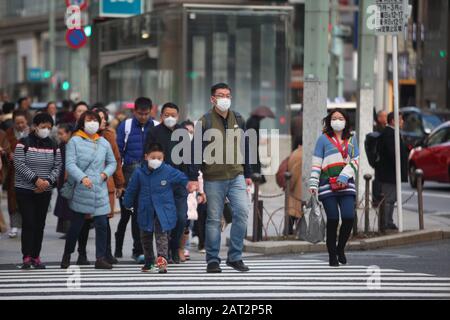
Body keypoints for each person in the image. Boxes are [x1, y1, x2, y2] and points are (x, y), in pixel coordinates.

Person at [189, 83, 253, 273]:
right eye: (220, 95)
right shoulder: (205, 121)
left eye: (227, 95)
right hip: (213, 178)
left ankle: (235, 257)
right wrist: (193, 177)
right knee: (214, 219)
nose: (224, 98)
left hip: (236, 175)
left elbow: (246, 147)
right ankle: (212, 260)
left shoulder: (239, 119)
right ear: (213, 99)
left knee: (241, 213)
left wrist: (248, 173)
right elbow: (195, 151)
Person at [60, 111, 117, 269]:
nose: (92, 123)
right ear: (82, 123)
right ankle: (67, 254)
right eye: (89, 120)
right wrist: (82, 177)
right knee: (77, 224)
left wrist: (105, 174)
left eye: (95, 120)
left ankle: (100, 257)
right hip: (81, 188)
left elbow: (112, 162)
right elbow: (70, 164)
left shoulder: (103, 142)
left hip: (99, 187)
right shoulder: (75, 141)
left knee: (101, 224)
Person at [123, 142, 191, 273]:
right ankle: (149, 262)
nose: (156, 160)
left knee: (162, 237)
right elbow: (132, 189)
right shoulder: (139, 173)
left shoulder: (168, 170)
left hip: (163, 211)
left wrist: (189, 184)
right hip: (145, 209)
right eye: (153, 157)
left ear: (163, 158)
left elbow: (182, 178)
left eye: (159, 158)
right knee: (146, 236)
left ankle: (162, 262)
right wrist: (127, 203)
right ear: (146, 156)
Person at [309, 108, 359, 267]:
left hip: (346, 185)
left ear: (346, 121)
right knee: (332, 219)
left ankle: (340, 248)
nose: (337, 121)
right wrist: (313, 182)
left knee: (349, 217)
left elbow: (355, 160)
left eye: (340, 118)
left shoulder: (352, 139)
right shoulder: (323, 139)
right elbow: (317, 162)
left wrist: (344, 176)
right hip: (326, 185)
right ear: (330, 121)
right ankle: (332, 255)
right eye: (334, 118)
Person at [14, 113, 62, 269]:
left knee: (40, 223)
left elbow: (58, 166)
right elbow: (19, 164)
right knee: (29, 223)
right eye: (43, 127)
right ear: (35, 126)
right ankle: (26, 256)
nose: (46, 130)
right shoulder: (23, 143)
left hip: (44, 190)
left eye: (49, 127)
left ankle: (36, 256)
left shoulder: (54, 144)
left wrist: (47, 182)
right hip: (25, 190)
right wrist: (36, 180)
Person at [145, 102, 191, 264]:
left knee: (180, 218)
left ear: (178, 117)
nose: (170, 118)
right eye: (166, 115)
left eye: (173, 115)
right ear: (161, 116)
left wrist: (191, 179)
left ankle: (175, 247)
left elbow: (189, 158)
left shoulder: (183, 133)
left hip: (179, 183)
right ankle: (163, 253)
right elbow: (147, 156)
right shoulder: (154, 132)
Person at [115, 97, 155, 263]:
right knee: (129, 215)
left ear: (151, 111)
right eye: (140, 114)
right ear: (134, 111)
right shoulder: (126, 125)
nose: (143, 117)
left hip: (151, 173)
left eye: (146, 114)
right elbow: (118, 153)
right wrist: (120, 182)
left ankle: (142, 250)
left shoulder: (156, 126)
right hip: (130, 173)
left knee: (145, 214)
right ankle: (128, 248)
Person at [93, 106, 125, 264]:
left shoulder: (109, 136)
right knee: (84, 222)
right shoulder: (79, 136)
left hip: (106, 183)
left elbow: (117, 160)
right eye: (99, 118)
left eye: (104, 118)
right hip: (86, 184)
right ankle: (80, 254)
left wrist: (120, 183)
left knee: (104, 220)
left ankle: (106, 253)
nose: (102, 121)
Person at [377, 112, 408, 230]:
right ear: (393, 121)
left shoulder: (392, 133)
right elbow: (393, 153)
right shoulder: (389, 134)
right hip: (389, 173)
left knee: (391, 198)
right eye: (400, 119)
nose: (402, 122)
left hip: (391, 173)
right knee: (389, 199)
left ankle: (388, 222)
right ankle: (386, 223)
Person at [5, 110, 30, 238]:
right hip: (13, 171)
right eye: (17, 123)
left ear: (27, 121)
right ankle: (14, 226)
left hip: (29, 171)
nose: (20, 125)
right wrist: (8, 153)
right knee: (13, 198)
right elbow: (5, 147)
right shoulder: (8, 133)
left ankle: (26, 225)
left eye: (22, 122)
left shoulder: (32, 133)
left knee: (27, 199)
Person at [53, 124, 73, 237]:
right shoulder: (62, 145)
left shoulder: (71, 145)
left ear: (69, 133)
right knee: (63, 204)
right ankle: (66, 230)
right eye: (58, 133)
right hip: (61, 178)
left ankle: (70, 230)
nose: (59, 136)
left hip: (68, 179)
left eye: (61, 133)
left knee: (67, 205)